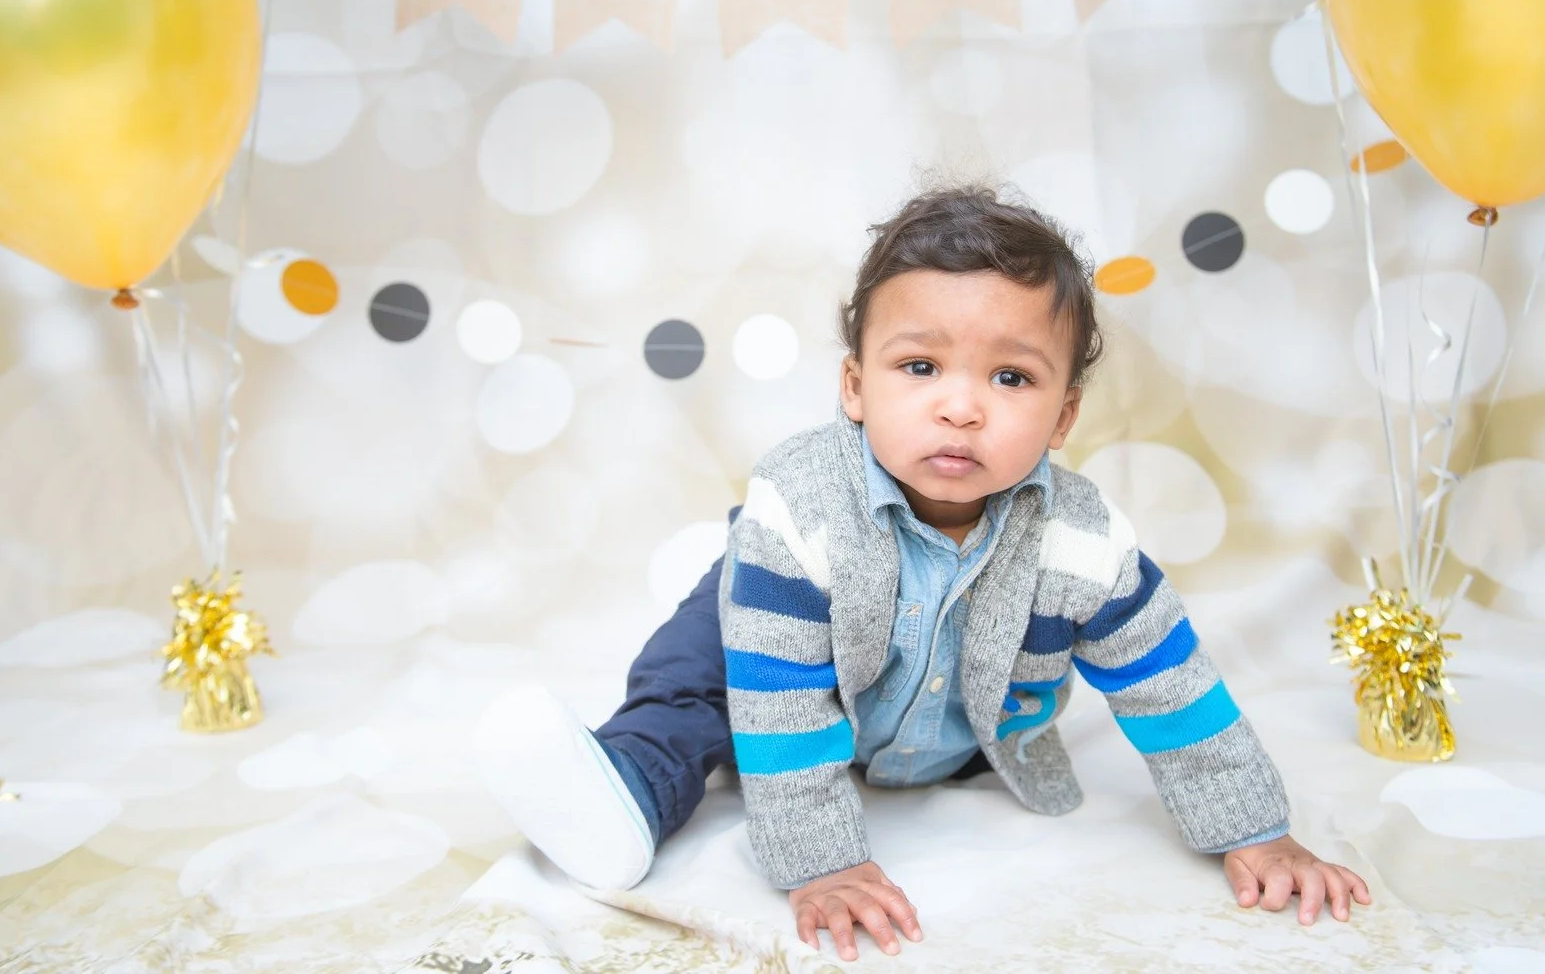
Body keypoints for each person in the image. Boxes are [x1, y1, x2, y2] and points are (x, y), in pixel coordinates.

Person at [477, 186, 1370, 962]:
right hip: (771, 631)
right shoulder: (799, 507)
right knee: (694, 684)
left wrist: (1255, 828)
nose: (961, 405)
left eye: (1011, 377)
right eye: (919, 366)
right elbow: (779, 697)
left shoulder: (1082, 542)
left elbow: (1169, 683)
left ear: (1063, 417)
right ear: (855, 387)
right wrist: (823, 859)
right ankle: (624, 788)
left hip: (952, 715)